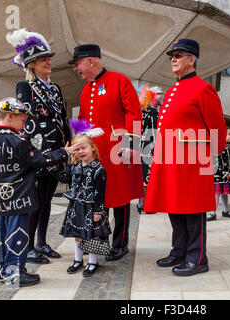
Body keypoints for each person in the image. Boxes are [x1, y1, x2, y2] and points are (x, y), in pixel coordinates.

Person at [144, 38, 227, 277]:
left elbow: (217, 125)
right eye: (173, 55)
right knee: (175, 206)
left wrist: (215, 153)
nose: (174, 58)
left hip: (193, 159)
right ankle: (179, 250)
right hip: (171, 158)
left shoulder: (203, 88)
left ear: (191, 59)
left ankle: (197, 257)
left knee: (192, 208)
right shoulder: (173, 89)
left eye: (179, 55)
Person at [0, 97, 77, 287]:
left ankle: (6, 272)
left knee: (4, 237)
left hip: (3, 199)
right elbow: (40, 160)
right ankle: (16, 275)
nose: (25, 124)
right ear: (10, 116)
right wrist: (64, 153)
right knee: (18, 236)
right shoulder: (18, 142)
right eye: (23, 120)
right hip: (20, 198)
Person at [69, 44, 144, 261]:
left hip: (116, 152)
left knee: (119, 199)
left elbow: (133, 113)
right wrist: (77, 148)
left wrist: (131, 143)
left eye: (77, 64)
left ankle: (120, 244)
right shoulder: (85, 90)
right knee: (96, 200)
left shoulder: (119, 81)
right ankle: (100, 243)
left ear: (91, 61)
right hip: (93, 156)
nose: (76, 69)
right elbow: (82, 124)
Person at [7, 28, 72, 264]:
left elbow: (62, 118)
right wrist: (43, 152)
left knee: (46, 200)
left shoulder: (55, 88)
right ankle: (30, 247)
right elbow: (28, 122)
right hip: (39, 152)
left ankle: (43, 242)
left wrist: (69, 142)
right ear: (31, 65)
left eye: (48, 58)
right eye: (42, 59)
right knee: (34, 202)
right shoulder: (25, 87)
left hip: (57, 150)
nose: (48, 62)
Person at [51, 120, 111, 277]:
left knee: (91, 235)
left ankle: (93, 261)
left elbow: (100, 192)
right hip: (77, 206)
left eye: (83, 148)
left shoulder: (99, 170)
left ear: (92, 147)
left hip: (91, 208)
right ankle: (78, 260)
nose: (80, 152)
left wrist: (99, 211)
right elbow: (64, 179)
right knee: (77, 234)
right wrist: (53, 166)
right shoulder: (75, 166)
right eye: (77, 149)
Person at [136, 85, 161, 214]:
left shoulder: (160, 111)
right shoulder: (144, 112)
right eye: (156, 95)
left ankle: (151, 203)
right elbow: (137, 129)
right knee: (145, 176)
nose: (159, 97)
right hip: (146, 145)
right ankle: (142, 203)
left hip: (159, 144)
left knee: (153, 177)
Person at [207, 127, 230, 221]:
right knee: (216, 194)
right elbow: (216, 163)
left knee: (225, 193)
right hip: (218, 176)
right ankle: (212, 213)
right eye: (229, 134)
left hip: (227, 176)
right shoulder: (218, 148)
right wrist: (224, 173)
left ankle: (225, 210)